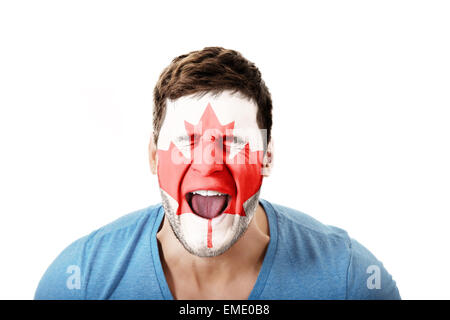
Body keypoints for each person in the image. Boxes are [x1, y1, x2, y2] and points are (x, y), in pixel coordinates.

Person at [35, 47, 400, 300]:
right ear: (152, 156)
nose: (208, 163)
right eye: (187, 141)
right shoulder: (80, 279)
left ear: (267, 157)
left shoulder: (350, 280)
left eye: (233, 143)